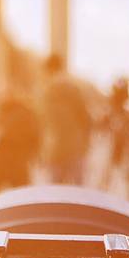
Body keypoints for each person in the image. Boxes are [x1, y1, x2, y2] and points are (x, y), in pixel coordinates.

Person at [43, 54, 92, 184]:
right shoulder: (73, 89)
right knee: (77, 193)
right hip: (75, 146)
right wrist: (86, 143)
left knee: (56, 193)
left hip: (56, 148)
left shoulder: (46, 92)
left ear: (48, 70)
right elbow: (85, 118)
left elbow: (43, 122)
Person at [0, 90, 42, 194]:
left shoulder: (3, 112)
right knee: (22, 192)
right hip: (19, 157)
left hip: (2, 155)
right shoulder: (27, 113)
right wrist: (33, 152)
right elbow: (35, 135)